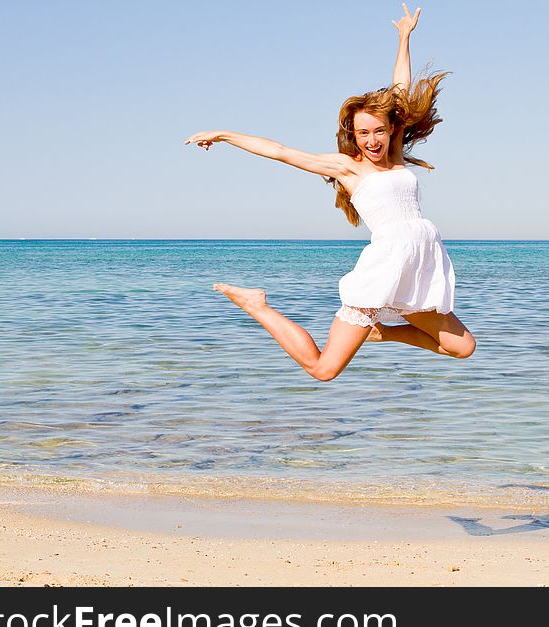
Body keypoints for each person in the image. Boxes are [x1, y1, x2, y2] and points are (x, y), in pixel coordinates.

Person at [184, 4, 475, 381]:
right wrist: (224, 135)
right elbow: (281, 151)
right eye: (363, 133)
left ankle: (383, 332)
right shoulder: (347, 167)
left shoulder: (397, 153)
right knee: (323, 369)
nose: (372, 140)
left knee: (463, 347)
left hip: (418, 266)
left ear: (389, 130)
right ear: (352, 136)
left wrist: (404, 38)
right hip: (385, 267)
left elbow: (399, 92)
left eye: (379, 131)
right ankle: (258, 305)